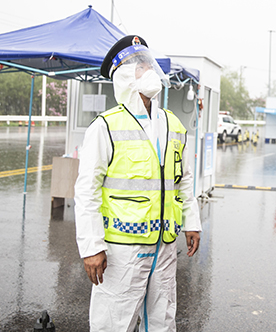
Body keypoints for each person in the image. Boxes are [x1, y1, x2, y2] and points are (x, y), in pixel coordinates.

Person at [74, 34, 202, 332]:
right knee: (114, 321)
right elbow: (86, 191)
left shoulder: (172, 124)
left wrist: (192, 221)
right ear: (125, 77)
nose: (149, 71)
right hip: (122, 250)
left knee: (162, 318)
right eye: (140, 66)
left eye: (149, 64)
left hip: (164, 245)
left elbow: (183, 180)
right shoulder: (105, 127)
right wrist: (91, 247)